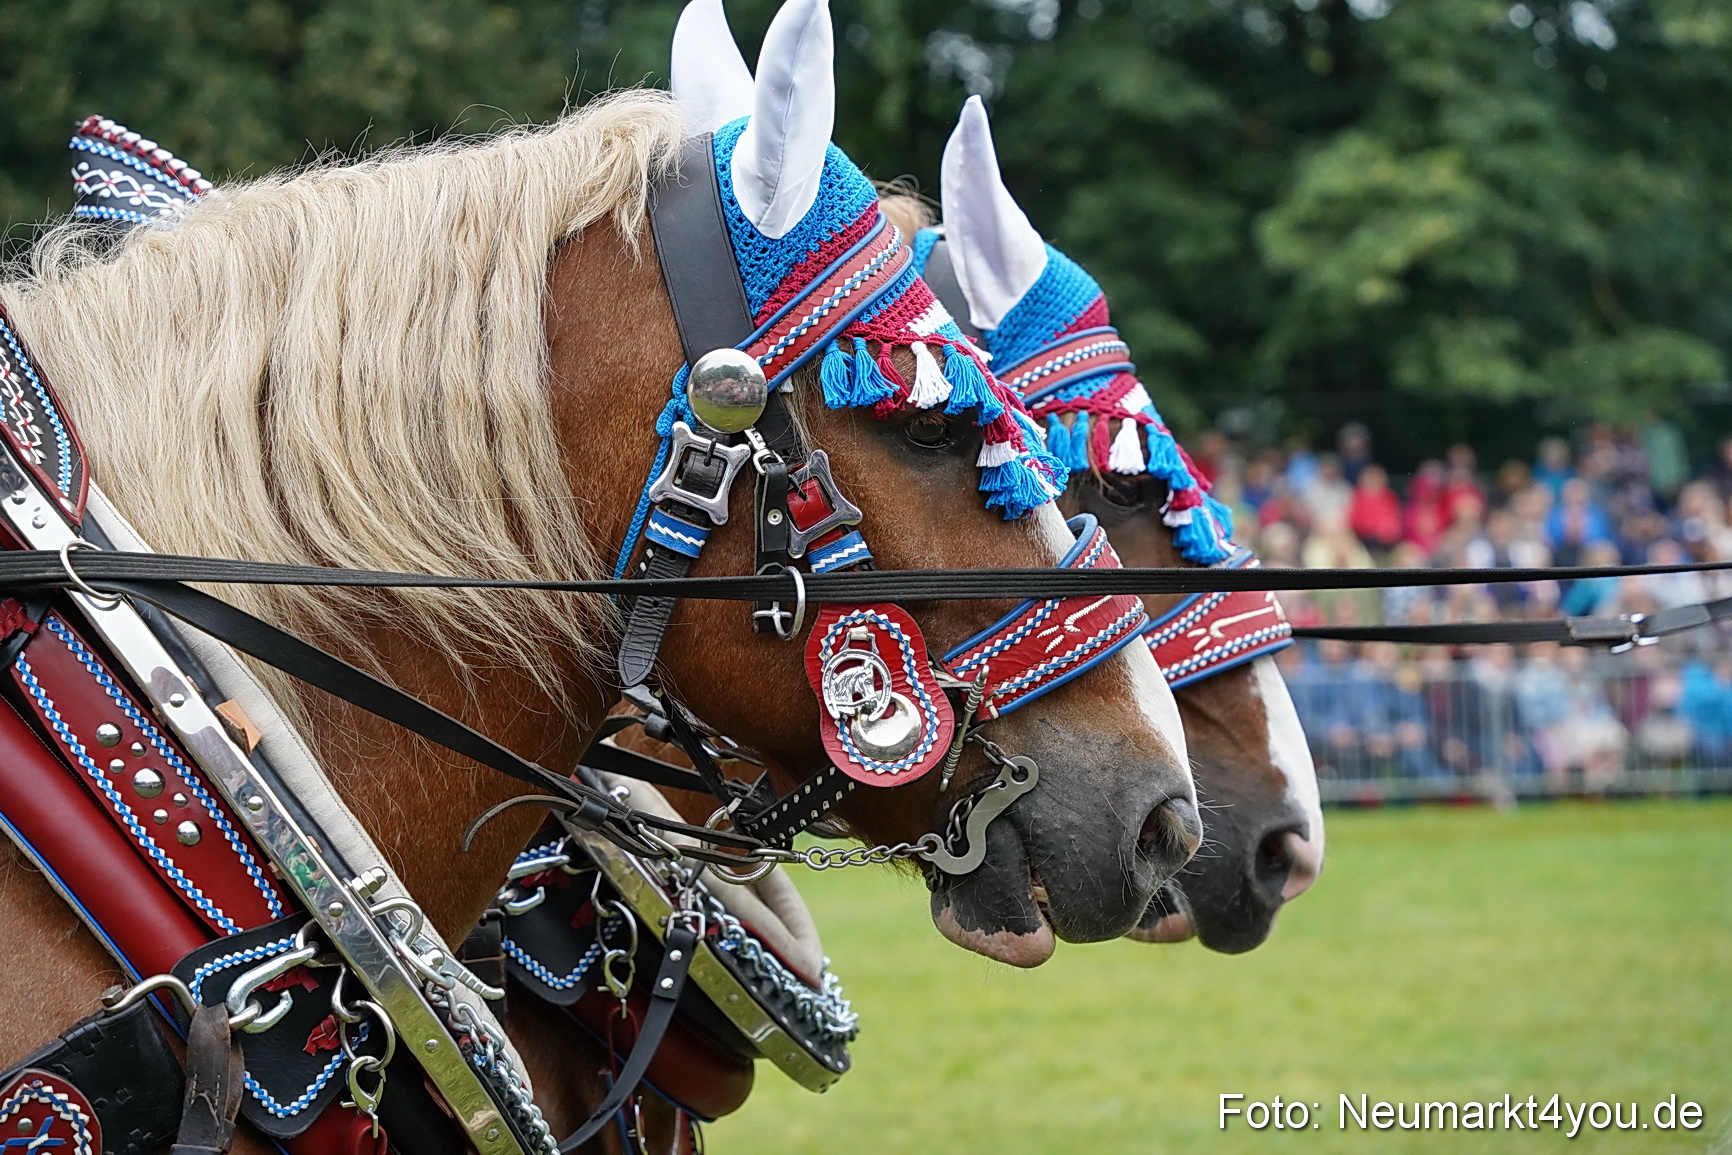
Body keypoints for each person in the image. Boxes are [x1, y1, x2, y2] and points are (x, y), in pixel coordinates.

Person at [1348, 464, 1403, 552]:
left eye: (1377, 479)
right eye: (1371, 478)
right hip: (1363, 539)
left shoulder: (1389, 496)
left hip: (1386, 541)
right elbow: (1354, 520)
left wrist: (1387, 533)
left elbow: (1394, 520)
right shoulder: (1357, 496)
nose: (1374, 482)